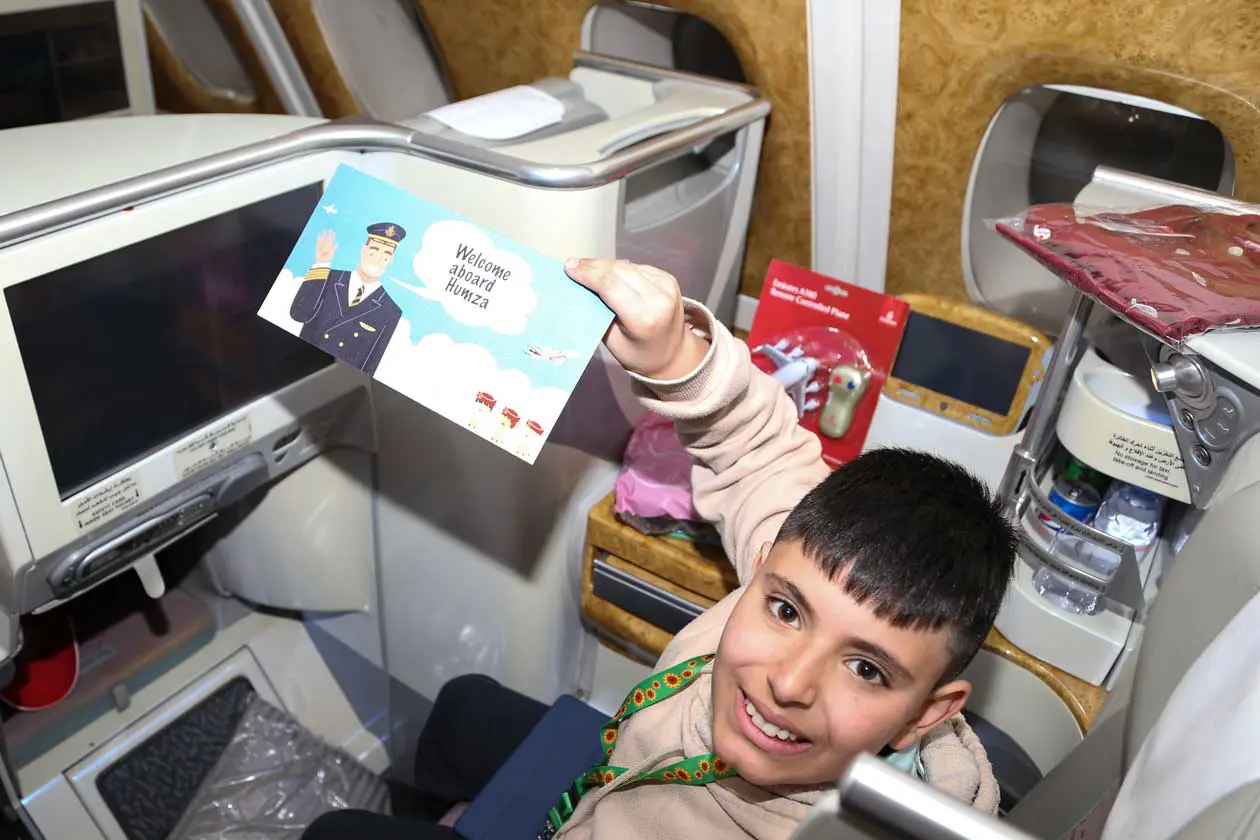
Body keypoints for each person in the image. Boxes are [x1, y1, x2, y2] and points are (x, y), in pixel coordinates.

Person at [303, 258, 1015, 840]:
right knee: (460, 709)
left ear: (930, 712)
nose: (790, 682)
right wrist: (676, 353)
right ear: (768, 562)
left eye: (866, 669)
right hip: (623, 770)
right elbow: (757, 447)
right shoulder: (803, 560)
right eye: (787, 612)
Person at [290, 222, 405, 375]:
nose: (378, 258)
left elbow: (370, 364)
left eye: (387, 254)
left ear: (391, 260)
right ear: (363, 250)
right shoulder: (327, 276)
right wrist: (321, 263)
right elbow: (298, 314)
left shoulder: (390, 310)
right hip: (300, 365)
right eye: (374, 249)